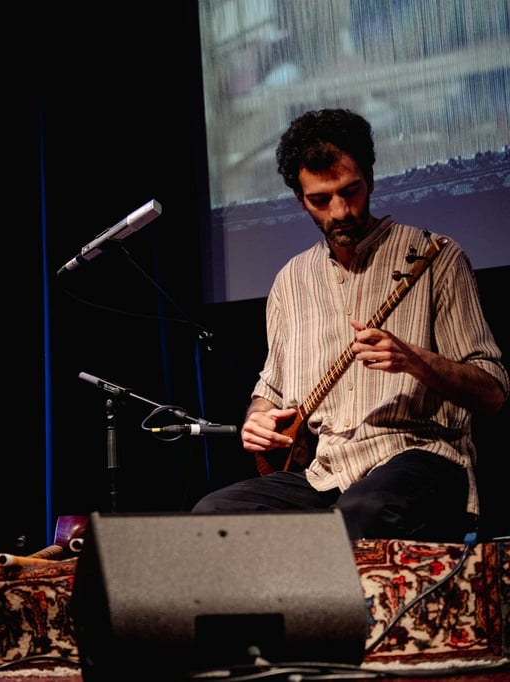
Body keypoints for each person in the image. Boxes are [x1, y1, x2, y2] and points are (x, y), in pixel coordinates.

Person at [191, 108, 508, 542]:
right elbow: (271, 393)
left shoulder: (437, 257)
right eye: (321, 200)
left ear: (371, 179)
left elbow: (492, 391)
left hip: (420, 458)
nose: (341, 211)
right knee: (213, 516)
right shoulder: (291, 281)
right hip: (326, 472)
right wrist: (259, 421)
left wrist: (414, 359)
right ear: (300, 200)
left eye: (351, 191)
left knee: (360, 511)